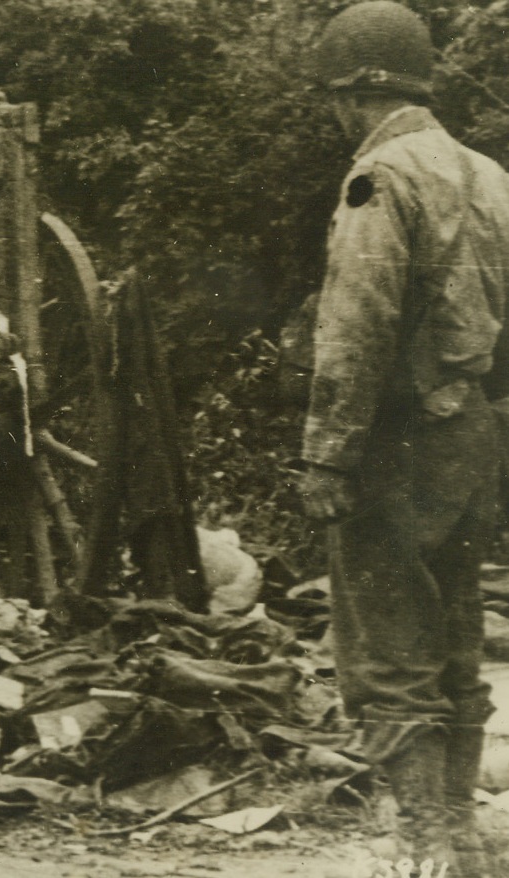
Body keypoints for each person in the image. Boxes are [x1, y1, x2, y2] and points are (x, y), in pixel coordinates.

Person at [299, 1, 509, 871]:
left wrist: (327, 450)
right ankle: (461, 833)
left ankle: (423, 845)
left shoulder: (381, 177)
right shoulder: (490, 175)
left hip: (398, 442)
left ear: (353, 93)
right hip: (477, 435)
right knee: (457, 629)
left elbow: (358, 322)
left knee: (388, 642)